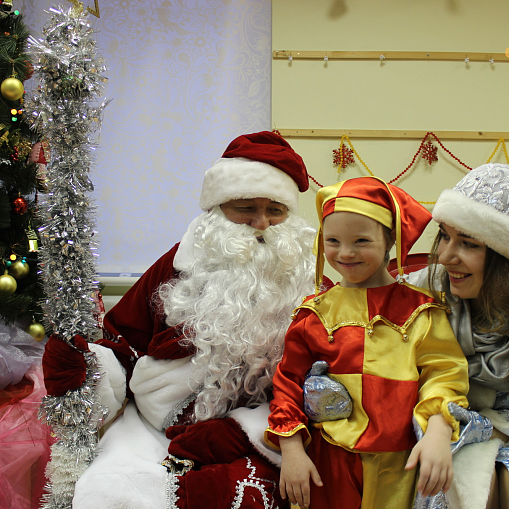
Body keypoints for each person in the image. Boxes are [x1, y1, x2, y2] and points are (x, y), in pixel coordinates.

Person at [41, 131, 320, 509]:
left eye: (275, 210)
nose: (261, 224)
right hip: (156, 430)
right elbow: (123, 343)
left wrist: (243, 431)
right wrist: (87, 368)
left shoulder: (308, 277)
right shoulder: (178, 264)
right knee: (110, 490)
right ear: (218, 209)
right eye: (245, 208)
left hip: (267, 434)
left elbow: (326, 381)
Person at [264, 176, 470, 509]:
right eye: (332, 240)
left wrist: (437, 430)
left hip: (400, 465)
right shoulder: (313, 314)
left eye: (361, 240)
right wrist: (292, 451)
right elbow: (287, 384)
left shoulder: (423, 311)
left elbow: (444, 375)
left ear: (390, 238)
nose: (345, 253)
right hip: (328, 463)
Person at [407, 162, 509, 509]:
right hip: (436, 420)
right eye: (444, 236)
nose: (446, 256)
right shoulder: (425, 289)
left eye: (468, 243)